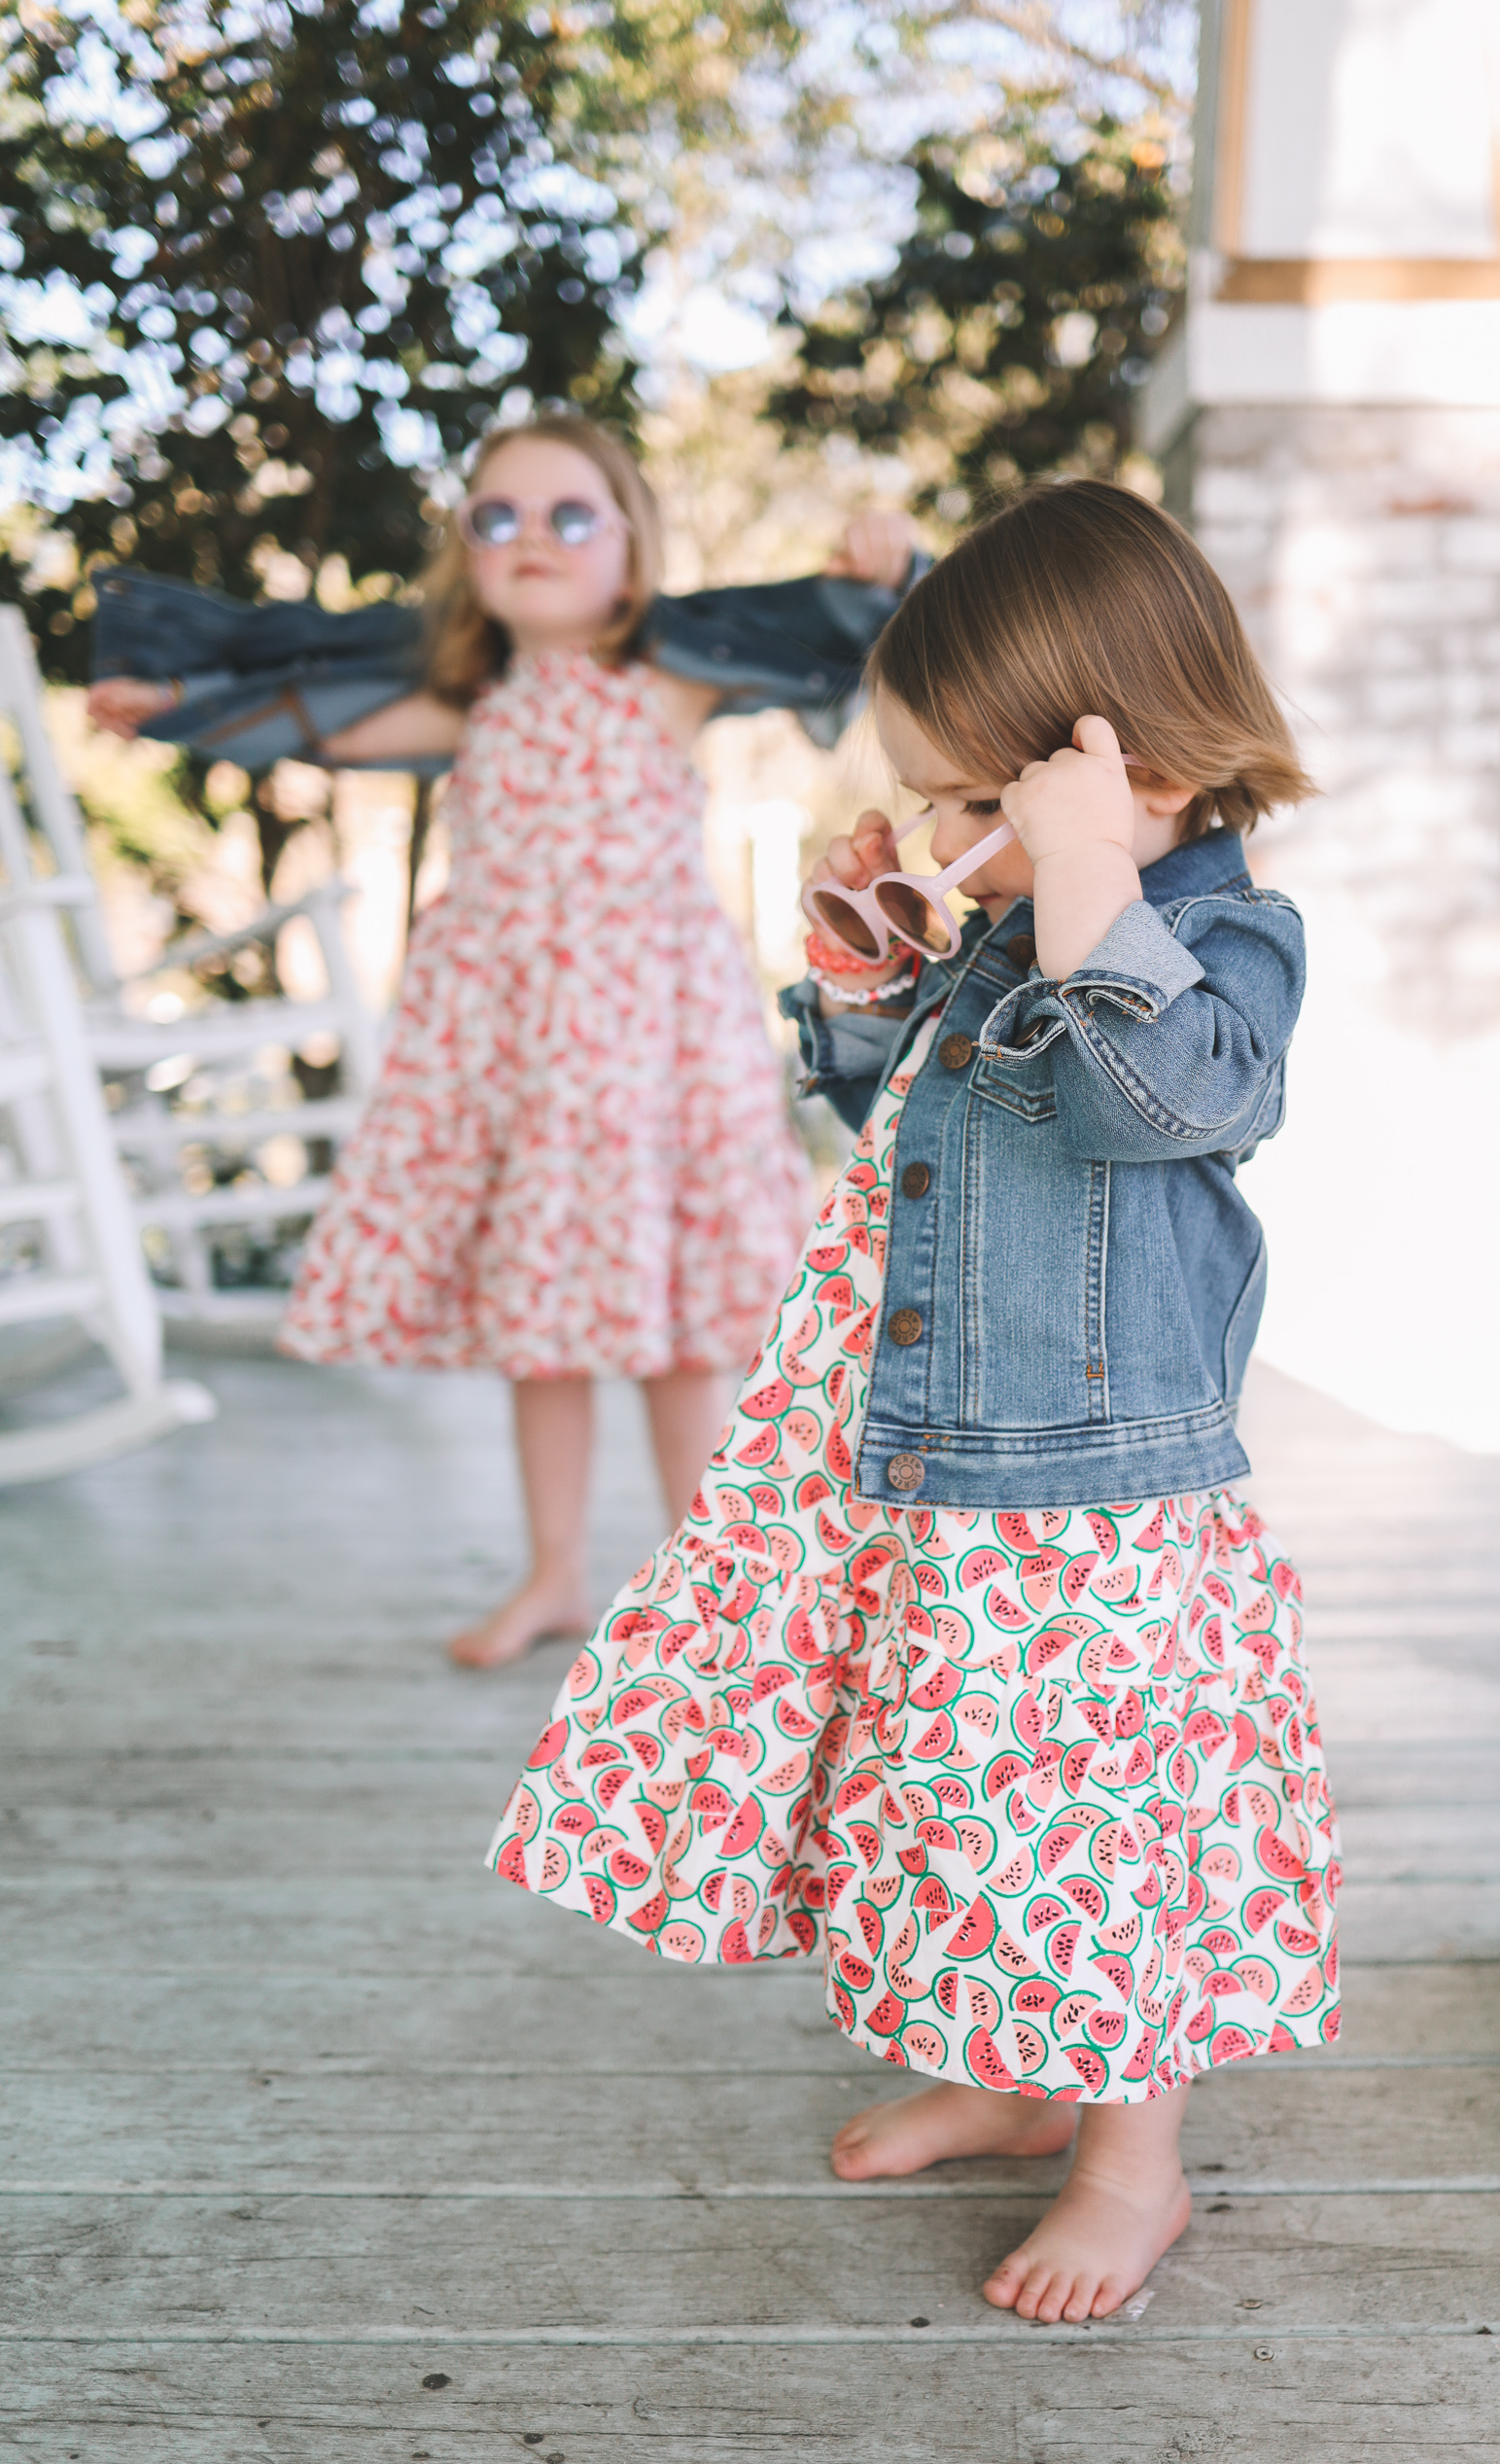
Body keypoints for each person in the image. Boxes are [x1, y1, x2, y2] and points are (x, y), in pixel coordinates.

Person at [486, 477, 1340, 2323]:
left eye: (977, 804)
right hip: (922, 1464)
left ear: (1137, 779)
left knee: (1096, 1820)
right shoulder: (999, 936)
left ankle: (1134, 2159)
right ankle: (1013, 2072)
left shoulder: (1221, 941)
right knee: (959, 1792)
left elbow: (1171, 1099)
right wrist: (878, 979)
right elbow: (901, 1129)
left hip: (1093, 1507)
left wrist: (1091, 876)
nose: (949, 834)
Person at [94, 412, 915, 1669]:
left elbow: (829, 638)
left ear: (632, 556)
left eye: (567, 516)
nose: (529, 538)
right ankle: (551, 1577)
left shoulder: (667, 678)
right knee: (550, 1325)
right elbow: (312, 722)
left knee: (680, 1329)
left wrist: (877, 577)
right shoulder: (470, 699)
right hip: (522, 1052)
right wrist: (171, 710)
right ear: (466, 553)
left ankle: (711, 1597)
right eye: (498, 518)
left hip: (647, 1045)